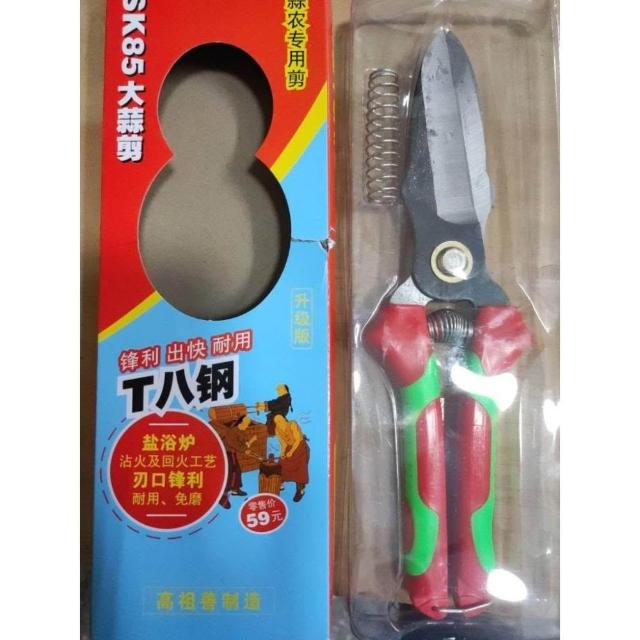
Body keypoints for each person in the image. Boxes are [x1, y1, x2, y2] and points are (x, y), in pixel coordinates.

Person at [219, 415, 256, 509]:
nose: (247, 425)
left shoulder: (242, 431)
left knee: (236, 471)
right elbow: (234, 444)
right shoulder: (233, 431)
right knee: (231, 472)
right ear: (241, 422)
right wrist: (245, 449)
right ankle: (223, 495)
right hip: (227, 452)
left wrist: (249, 443)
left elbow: (244, 443)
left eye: (248, 423)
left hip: (232, 452)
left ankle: (235, 489)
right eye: (246, 423)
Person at [273, 414, 309, 502]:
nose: (279, 423)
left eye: (280, 420)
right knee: (281, 463)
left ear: (284, 419)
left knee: (300, 470)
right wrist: (283, 453)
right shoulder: (277, 429)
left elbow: (297, 440)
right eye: (277, 422)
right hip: (289, 448)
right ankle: (280, 484)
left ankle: (300, 490)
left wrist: (291, 452)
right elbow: (283, 444)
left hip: (300, 447)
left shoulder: (292, 424)